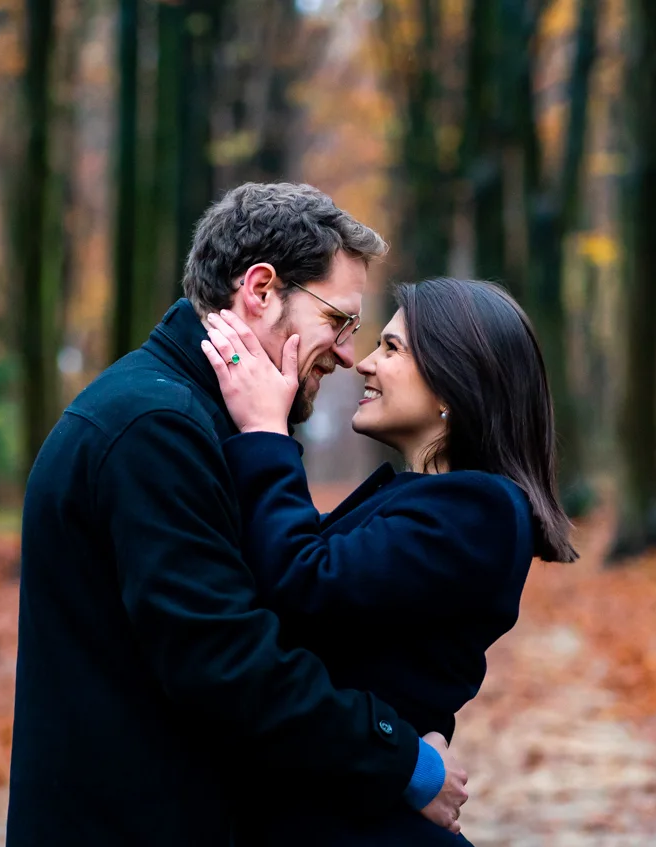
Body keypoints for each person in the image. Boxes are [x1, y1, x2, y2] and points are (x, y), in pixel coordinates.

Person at [5, 183, 469, 846]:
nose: (346, 354)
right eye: (338, 321)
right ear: (260, 289)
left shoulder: (194, 419)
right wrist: (407, 762)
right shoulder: (155, 428)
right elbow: (226, 660)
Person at [199, 277, 580, 845]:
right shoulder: (436, 505)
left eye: (393, 348)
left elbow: (305, 585)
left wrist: (265, 434)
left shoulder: (480, 511)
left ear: (456, 382)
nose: (365, 364)